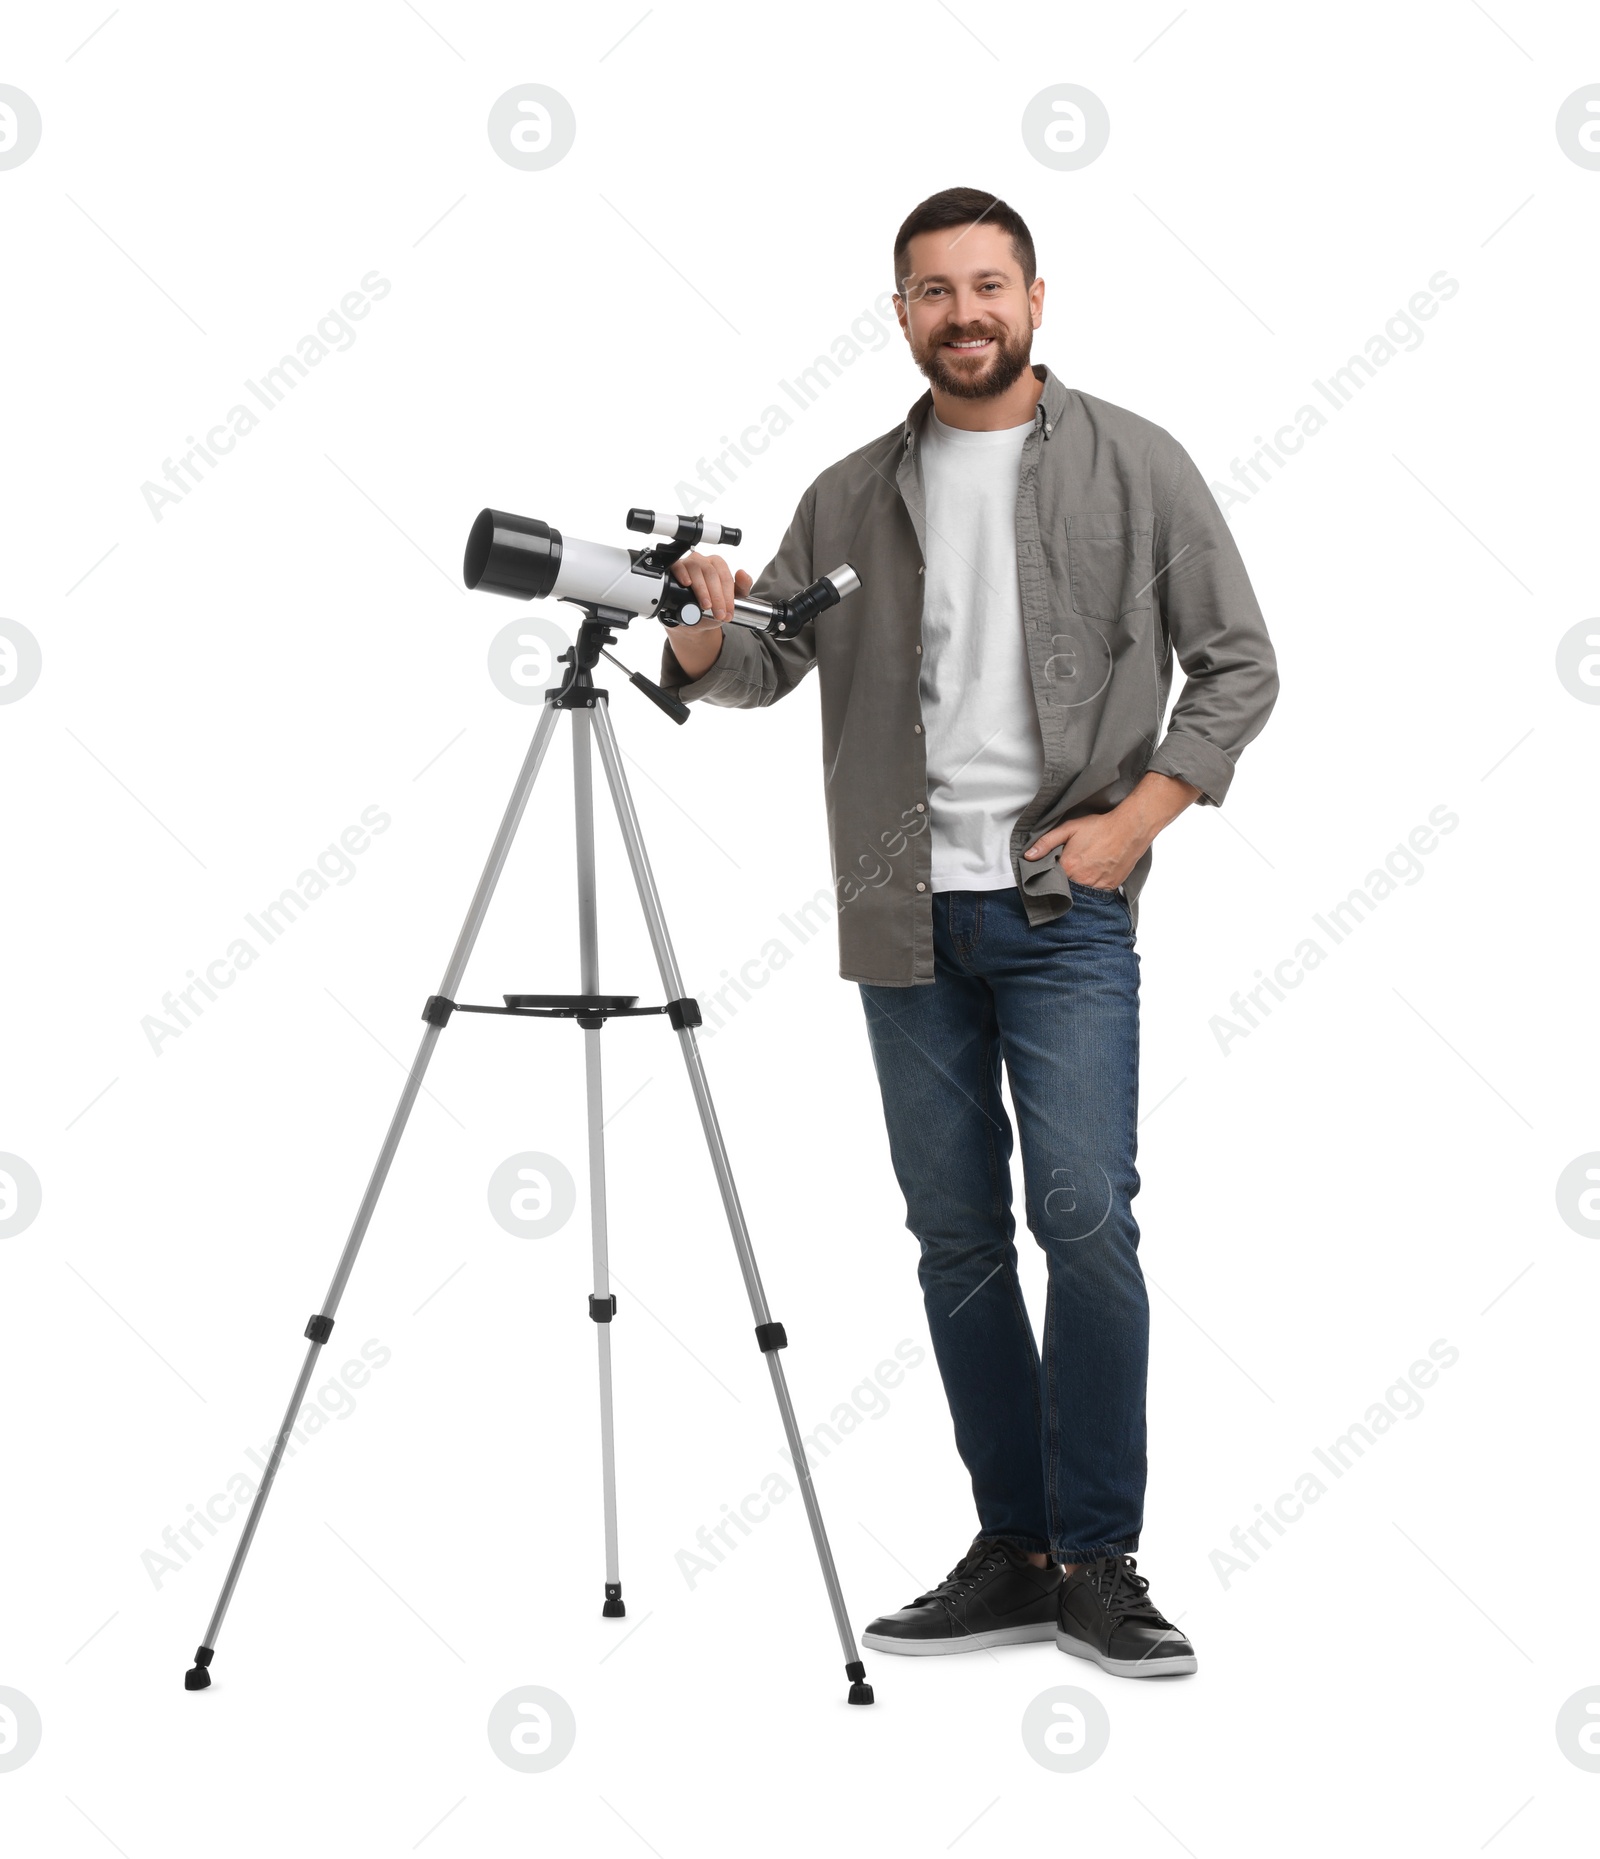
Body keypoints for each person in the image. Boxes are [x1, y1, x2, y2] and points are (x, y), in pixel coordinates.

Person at [658, 186, 1278, 1678]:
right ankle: (1015, 1549)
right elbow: (763, 664)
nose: (964, 312)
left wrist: (1139, 822)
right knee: (954, 1242)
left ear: (1037, 298)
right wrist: (698, 636)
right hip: (902, 917)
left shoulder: (1140, 464)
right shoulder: (853, 490)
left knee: (1086, 1219)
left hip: (1069, 912)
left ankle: (1101, 1555)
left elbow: (1241, 665)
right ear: (901, 316)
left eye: (988, 284)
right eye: (933, 292)